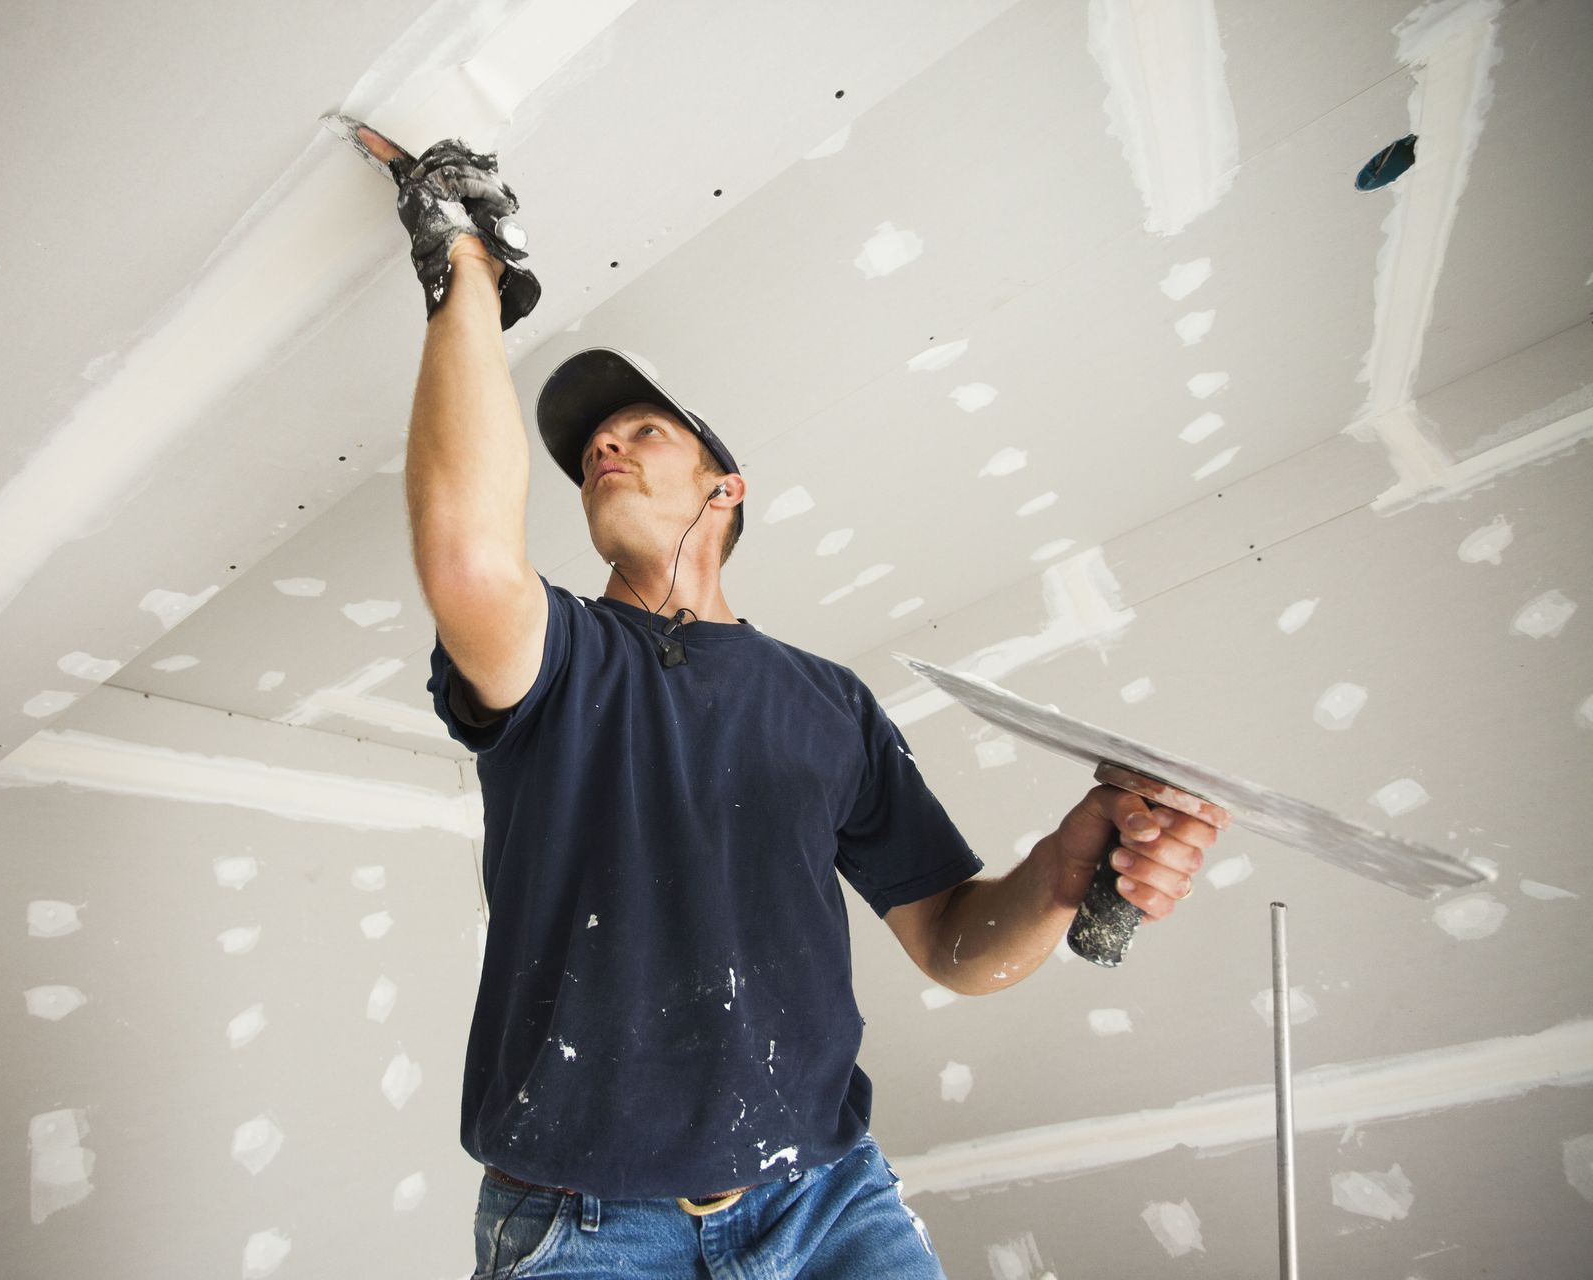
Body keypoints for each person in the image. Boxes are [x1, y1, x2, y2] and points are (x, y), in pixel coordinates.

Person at [394, 138, 1222, 1279]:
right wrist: (470, 268)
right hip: (583, 1229)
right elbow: (470, 564)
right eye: (593, 445)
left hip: (828, 1202)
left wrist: (1066, 866)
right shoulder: (564, 657)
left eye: (645, 432)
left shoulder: (829, 701)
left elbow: (954, 944)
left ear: (724, 490)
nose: (604, 446)